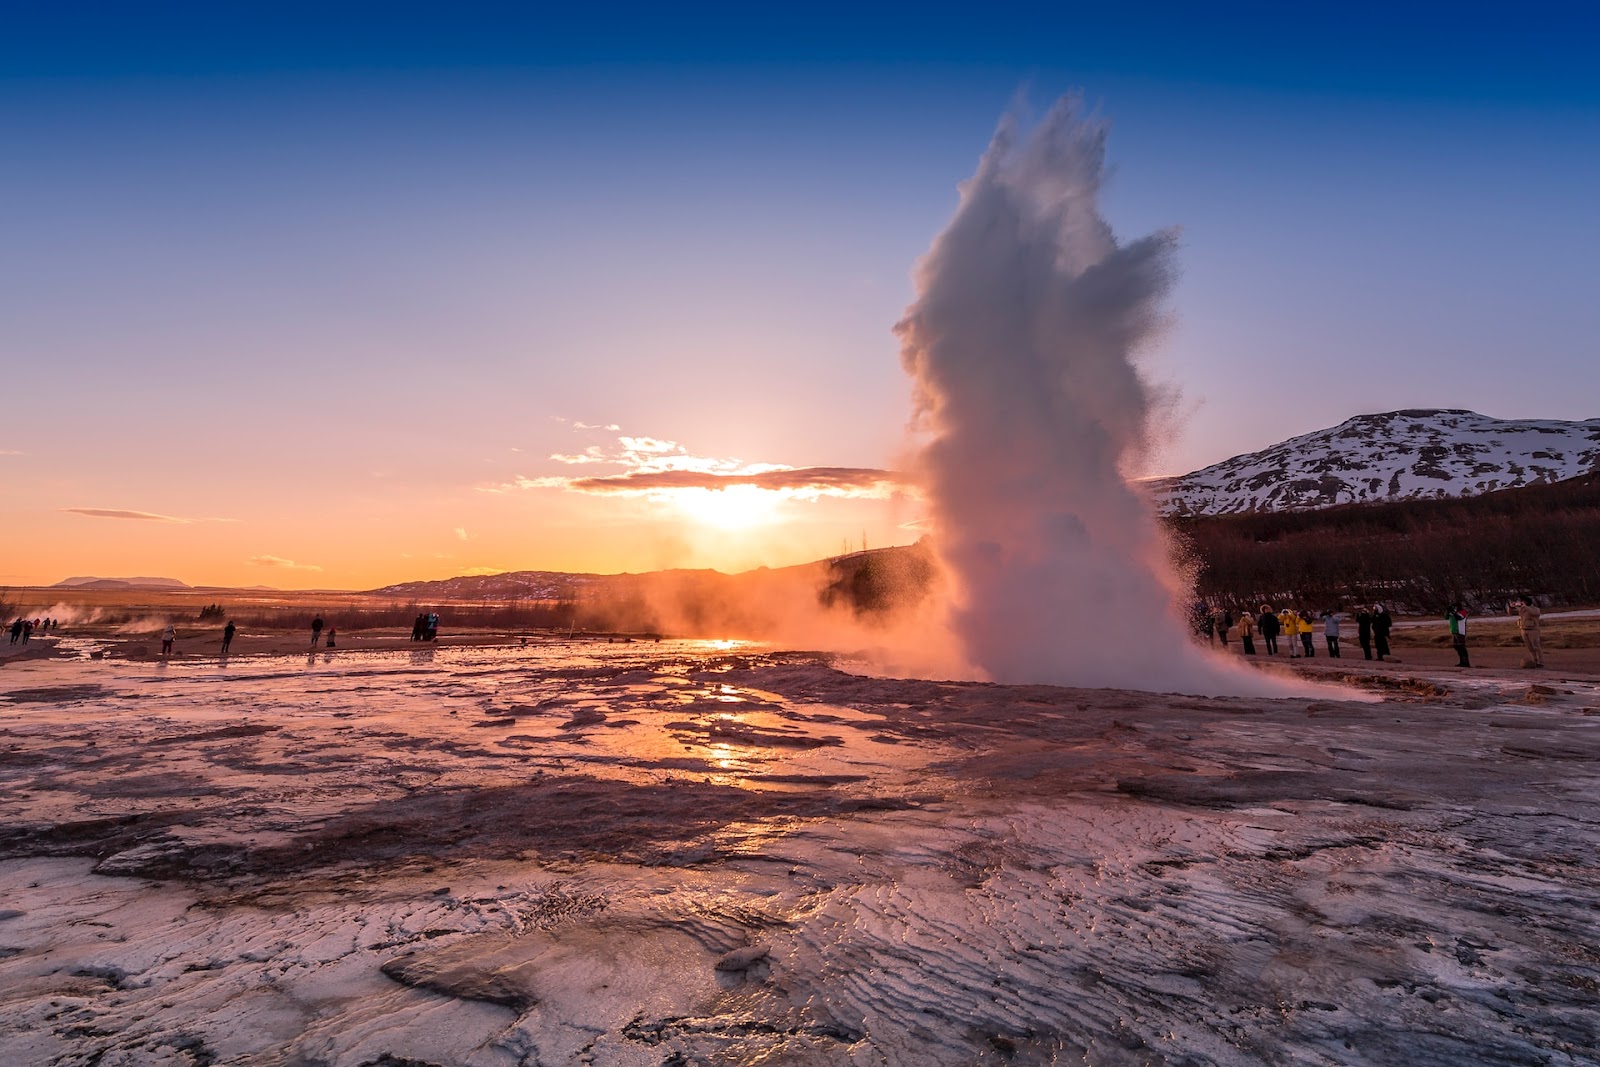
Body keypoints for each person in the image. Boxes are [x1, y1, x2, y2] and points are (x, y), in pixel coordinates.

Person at [1516, 598, 1544, 668]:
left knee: (1536, 646)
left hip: (1533, 630)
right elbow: (1511, 612)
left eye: (1524, 602)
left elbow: (1534, 613)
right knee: (1529, 647)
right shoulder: (1522, 609)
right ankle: (1534, 660)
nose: (1522, 603)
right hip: (1523, 629)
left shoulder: (1535, 609)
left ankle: (1541, 661)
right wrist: (1511, 607)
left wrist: (1526, 607)